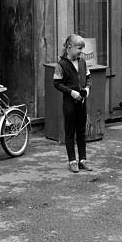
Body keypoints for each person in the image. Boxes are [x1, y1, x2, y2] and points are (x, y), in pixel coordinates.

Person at [53, 34, 93, 173]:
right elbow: (57, 83)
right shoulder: (61, 64)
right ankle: (72, 161)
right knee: (70, 132)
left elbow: (89, 79)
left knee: (81, 132)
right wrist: (71, 92)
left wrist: (87, 89)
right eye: (79, 48)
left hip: (82, 102)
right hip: (69, 103)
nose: (81, 51)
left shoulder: (82, 62)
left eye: (82, 48)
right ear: (69, 47)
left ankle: (83, 159)